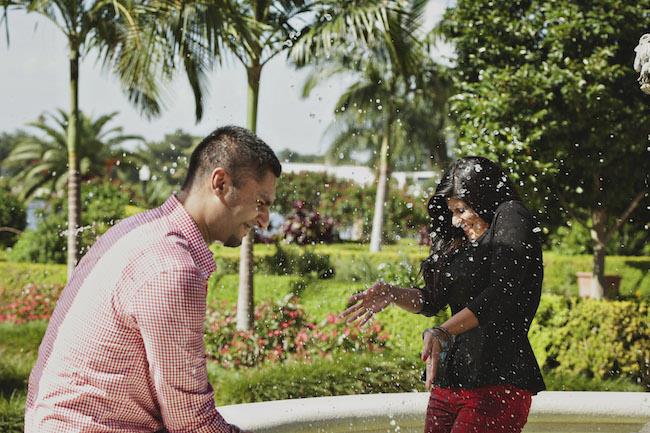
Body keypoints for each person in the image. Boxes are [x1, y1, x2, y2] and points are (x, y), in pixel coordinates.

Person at [25, 125, 281, 433]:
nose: (264, 220)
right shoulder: (172, 269)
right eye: (261, 202)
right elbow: (191, 423)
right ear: (221, 183)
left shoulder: (136, 230)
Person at [341, 156, 545, 433]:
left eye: (461, 210)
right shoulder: (459, 242)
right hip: (449, 383)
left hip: (498, 382)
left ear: (483, 198)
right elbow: (432, 299)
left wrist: (443, 331)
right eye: (451, 211)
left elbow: (502, 292)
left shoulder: (511, 214)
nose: (455, 220)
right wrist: (392, 293)